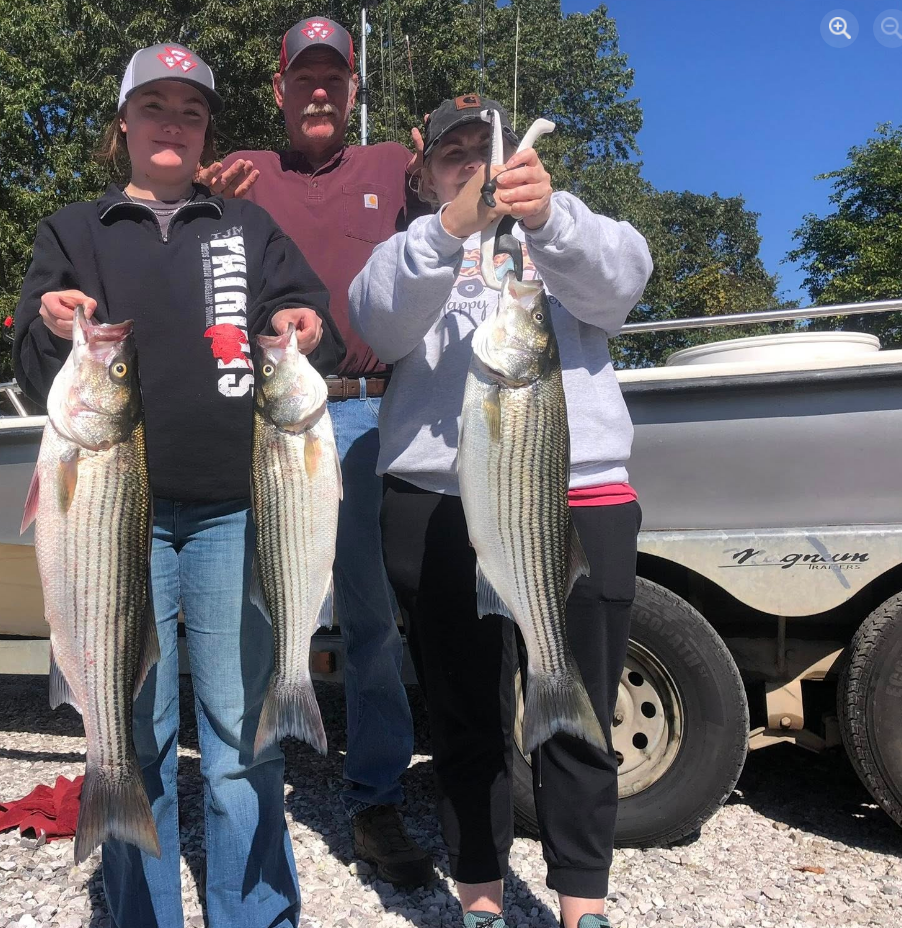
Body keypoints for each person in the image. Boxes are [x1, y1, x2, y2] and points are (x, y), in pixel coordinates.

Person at [12, 43, 345, 928]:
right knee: (133, 735)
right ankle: (138, 916)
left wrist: (305, 323)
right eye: (155, 106)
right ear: (124, 122)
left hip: (243, 514)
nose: (173, 123)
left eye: (190, 110)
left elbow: (318, 331)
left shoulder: (246, 227)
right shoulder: (74, 231)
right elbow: (29, 364)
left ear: (206, 132)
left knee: (242, 744)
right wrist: (51, 327)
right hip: (118, 527)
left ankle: (258, 914)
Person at [348, 95, 653, 928]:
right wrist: (450, 228)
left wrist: (549, 218)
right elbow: (375, 317)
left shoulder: (570, 227)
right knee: (461, 711)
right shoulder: (408, 248)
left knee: (580, 710)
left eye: (487, 153)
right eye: (454, 155)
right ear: (424, 171)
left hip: (576, 493)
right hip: (434, 506)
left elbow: (623, 284)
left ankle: (582, 904)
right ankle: (480, 894)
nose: (476, 169)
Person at [207, 16, 434, 887]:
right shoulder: (245, 174)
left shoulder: (389, 167)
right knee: (262, 612)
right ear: (278, 90)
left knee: (374, 623)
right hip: (271, 418)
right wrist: (198, 198)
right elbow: (204, 281)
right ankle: (255, 786)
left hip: (377, 416)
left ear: (351, 88)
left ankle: (376, 799)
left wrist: (453, 157)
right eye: (302, 77)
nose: (317, 91)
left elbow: (460, 228)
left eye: (332, 78)